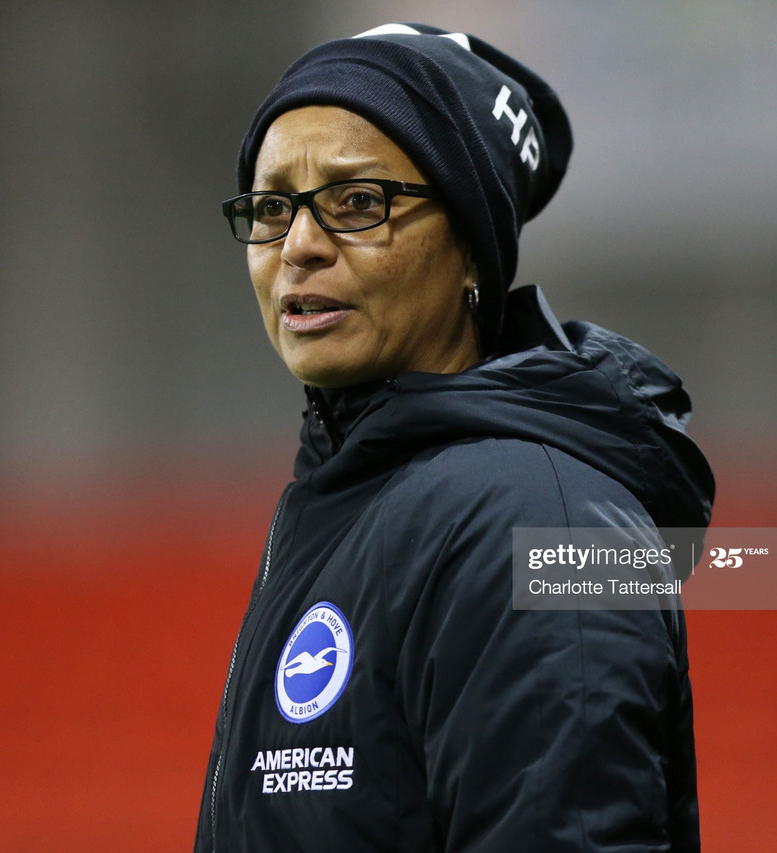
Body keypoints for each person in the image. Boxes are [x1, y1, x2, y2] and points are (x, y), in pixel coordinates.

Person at [195, 23, 714, 852]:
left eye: (357, 201)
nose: (297, 246)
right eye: (269, 207)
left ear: (471, 249)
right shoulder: (343, 503)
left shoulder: (541, 521)